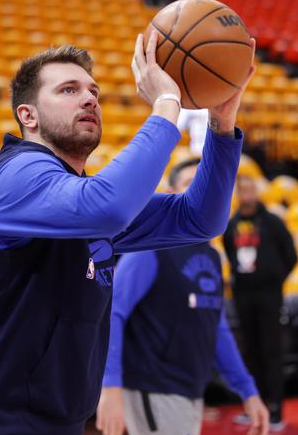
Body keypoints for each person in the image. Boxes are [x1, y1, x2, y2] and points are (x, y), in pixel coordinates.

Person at [0, 31, 256, 435]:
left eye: (93, 91)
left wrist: (222, 128)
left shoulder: (80, 198)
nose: (89, 98)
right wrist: (167, 105)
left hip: (58, 421)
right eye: (68, 89)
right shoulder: (16, 174)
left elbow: (200, 219)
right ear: (27, 115)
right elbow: (111, 205)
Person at [96, 158, 269, 435]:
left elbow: (217, 326)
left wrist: (247, 390)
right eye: (190, 184)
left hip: (190, 387)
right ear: (172, 193)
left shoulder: (211, 255)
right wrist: (111, 385)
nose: (201, 190)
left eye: (207, 183)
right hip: (153, 385)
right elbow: (111, 312)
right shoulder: (149, 249)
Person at [222, 175, 297, 431]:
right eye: (242, 190)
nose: (247, 194)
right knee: (250, 352)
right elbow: (230, 253)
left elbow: (291, 254)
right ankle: (254, 406)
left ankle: (275, 409)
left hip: (269, 295)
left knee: (271, 351)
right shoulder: (231, 224)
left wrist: (274, 279)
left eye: (250, 189)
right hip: (244, 296)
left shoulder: (273, 222)